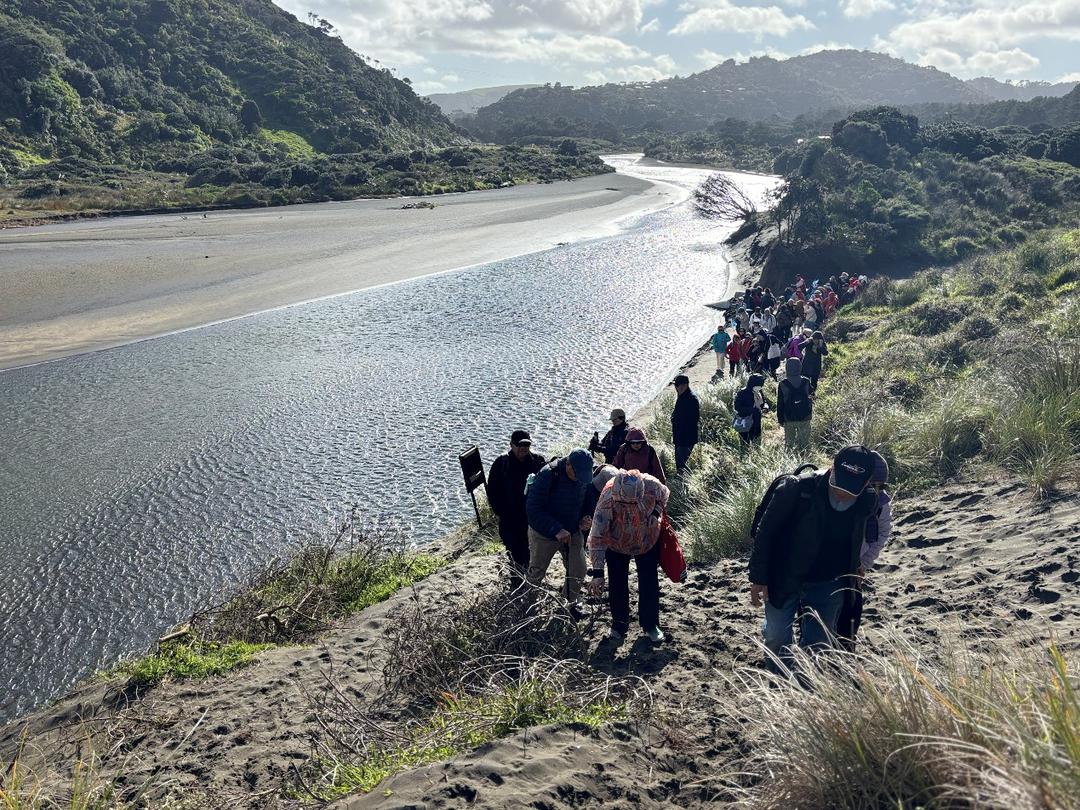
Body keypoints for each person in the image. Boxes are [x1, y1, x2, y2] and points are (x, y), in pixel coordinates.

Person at [748, 446, 878, 668]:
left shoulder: (867, 501)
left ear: (866, 483)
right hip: (783, 577)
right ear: (832, 467)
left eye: (852, 488)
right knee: (776, 636)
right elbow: (765, 533)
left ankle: (806, 689)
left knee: (819, 645)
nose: (842, 492)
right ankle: (778, 681)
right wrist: (758, 578)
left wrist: (856, 564)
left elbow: (858, 536)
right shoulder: (796, 489)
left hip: (829, 582)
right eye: (839, 482)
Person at [587, 469, 670, 643]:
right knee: (617, 582)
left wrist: (655, 512)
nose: (629, 508)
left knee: (649, 581)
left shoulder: (651, 484)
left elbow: (664, 494)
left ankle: (650, 625)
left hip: (646, 538)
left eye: (633, 503)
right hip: (616, 542)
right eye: (624, 503)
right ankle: (619, 625)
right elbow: (597, 536)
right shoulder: (607, 498)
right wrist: (598, 573)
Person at [525, 449, 594, 618]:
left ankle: (569, 605)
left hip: (573, 530)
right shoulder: (548, 474)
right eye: (577, 475)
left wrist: (587, 516)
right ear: (568, 464)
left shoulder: (584, 474)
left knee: (578, 570)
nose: (579, 479)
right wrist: (555, 529)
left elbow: (589, 497)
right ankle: (526, 607)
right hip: (544, 534)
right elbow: (533, 510)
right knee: (536, 572)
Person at [837, 451, 892, 651]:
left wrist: (863, 563)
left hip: (855, 566)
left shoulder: (882, 504)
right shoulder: (841, 498)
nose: (876, 491)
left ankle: (845, 656)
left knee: (852, 613)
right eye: (870, 486)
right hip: (828, 564)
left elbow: (883, 533)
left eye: (881, 486)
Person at [486, 430, 546, 592]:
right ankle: (517, 583)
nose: (523, 448)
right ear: (511, 445)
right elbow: (492, 491)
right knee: (514, 551)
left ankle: (532, 583)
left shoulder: (538, 462)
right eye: (519, 444)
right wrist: (501, 512)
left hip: (532, 519)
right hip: (510, 520)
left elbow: (547, 486)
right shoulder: (501, 464)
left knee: (532, 552)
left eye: (526, 444)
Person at [776, 358, 813, 454]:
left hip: (789, 417)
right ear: (800, 367)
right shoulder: (806, 381)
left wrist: (780, 419)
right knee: (805, 442)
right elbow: (812, 393)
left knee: (789, 443)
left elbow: (780, 404)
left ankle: (789, 461)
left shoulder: (782, 384)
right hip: (805, 416)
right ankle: (805, 460)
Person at [670, 374, 700, 474]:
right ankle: (680, 478)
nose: (677, 388)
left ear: (686, 385)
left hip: (686, 438)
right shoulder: (682, 396)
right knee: (679, 462)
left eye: (679, 385)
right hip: (680, 436)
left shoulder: (691, 399)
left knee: (681, 463)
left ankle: (681, 481)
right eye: (676, 385)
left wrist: (677, 421)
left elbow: (693, 419)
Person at [733, 373, 769, 447]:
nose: (761, 387)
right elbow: (737, 407)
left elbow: (763, 402)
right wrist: (752, 410)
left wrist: (765, 407)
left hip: (756, 421)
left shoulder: (758, 392)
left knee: (757, 442)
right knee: (745, 444)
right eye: (759, 385)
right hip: (745, 421)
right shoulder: (742, 393)